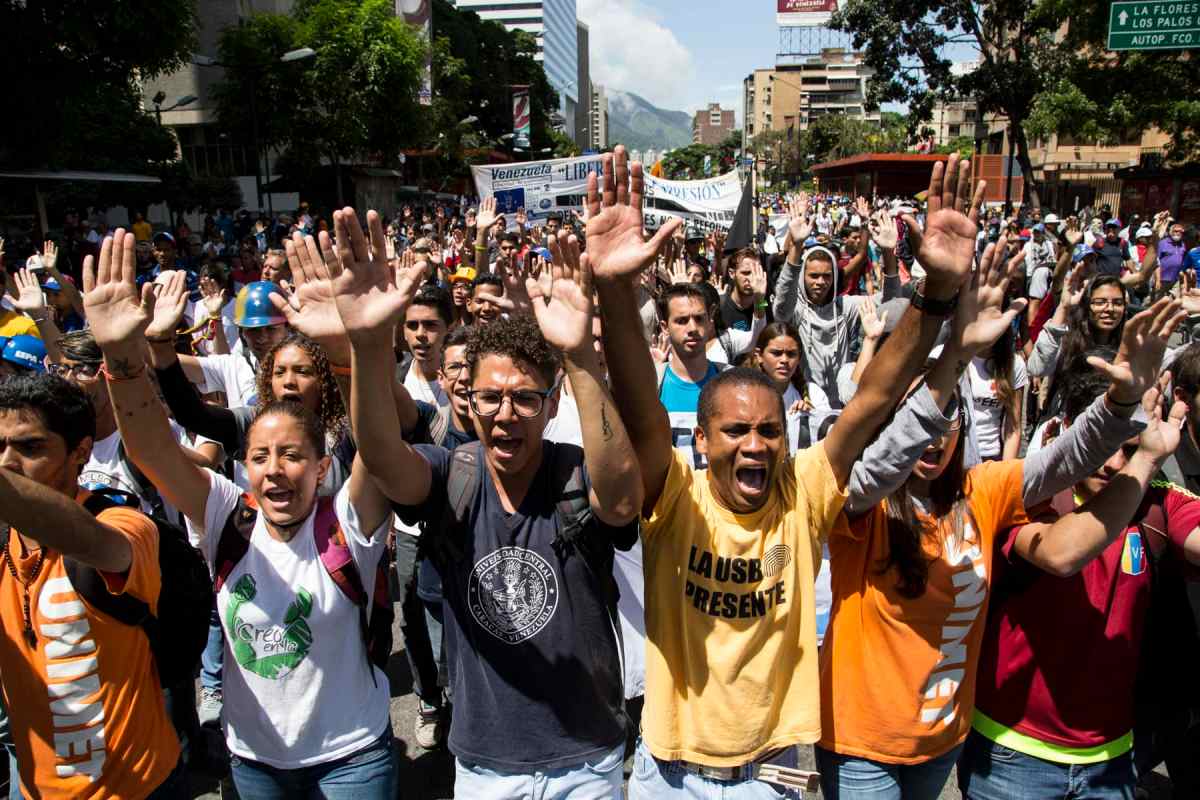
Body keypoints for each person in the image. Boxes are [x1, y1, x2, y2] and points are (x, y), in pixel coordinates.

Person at [595, 148, 979, 798]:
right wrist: (612, 290)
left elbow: (874, 400)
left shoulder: (802, 493)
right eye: (735, 431)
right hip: (668, 773)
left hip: (770, 778)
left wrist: (934, 291)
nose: (754, 446)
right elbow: (640, 411)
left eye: (769, 431)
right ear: (702, 440)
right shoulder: (675, 495)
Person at [814, 255, 1176, 800]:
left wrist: (1120, 403)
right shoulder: (858, 502)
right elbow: (888, 457)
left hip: (940, 740)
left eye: (948, 421)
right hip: (860, 742)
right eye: (921, 423)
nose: (934, 438)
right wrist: (954, 356)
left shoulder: (983, 488)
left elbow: (1063, 460)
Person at [336, 204, 642, 798]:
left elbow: (624, 500)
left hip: (587, 760)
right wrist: (368, 346)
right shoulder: (451, 474)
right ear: (466, 401)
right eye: (490, 398)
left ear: (553, 405)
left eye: (526, 398)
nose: (506, 414)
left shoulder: (578, 474)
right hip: (485, 764)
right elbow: (382, 457)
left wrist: (579, 355)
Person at [81, 228, 398, 799]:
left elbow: (378, 443)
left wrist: (356, 349)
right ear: (243, 466)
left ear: (323, 467)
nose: (275, 470)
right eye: (260, 457)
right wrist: (122, 358)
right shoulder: (227, 516)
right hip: (254, 763)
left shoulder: (349, 519)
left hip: (353, 757)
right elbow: (152, 449)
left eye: (293, 456)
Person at [961, 367, 1198, 800]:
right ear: (1075, 430)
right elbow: (1061, 554)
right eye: (1106, 446)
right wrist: (1146, 459)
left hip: (1112, 763)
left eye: (1129, 449)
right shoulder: (1026, 495)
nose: (1114, 464)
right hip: (1012, 756)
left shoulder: (1159, 502)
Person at [0, 370, 185, 797]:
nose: (7, 462)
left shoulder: (123, 524)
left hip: (142, 788)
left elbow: (99, 546)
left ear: (80, 452)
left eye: (30, 447)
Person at [773, 195, 900, 411]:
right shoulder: (796, 309)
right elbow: (782, 306)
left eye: (826, 276)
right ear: (803, 276)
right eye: (813, 276)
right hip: (804, 404)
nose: (820, 282)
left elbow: (891, 302)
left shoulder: (844, 307)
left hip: (841, 405)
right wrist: (796, 246)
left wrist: (888, 253)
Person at [969, 321, 1027, 461]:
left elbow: (1013, 428)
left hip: (989, 457)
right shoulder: (947, 355)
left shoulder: (1014, 364)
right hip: (952, 454)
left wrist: (1004, 470)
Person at [399, 285, 451, 408]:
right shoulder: (394, 379)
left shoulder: (465, 381)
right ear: (404, 332)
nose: (420, 334)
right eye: (412, 325)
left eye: (430, 325)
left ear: (449, 330)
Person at [720, 249, 769, 332]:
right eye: (746, 273)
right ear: (732, 273)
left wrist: (759, 299)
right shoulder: (721, 307)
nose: (751, 278)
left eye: (755, 273)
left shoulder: (763, 302)